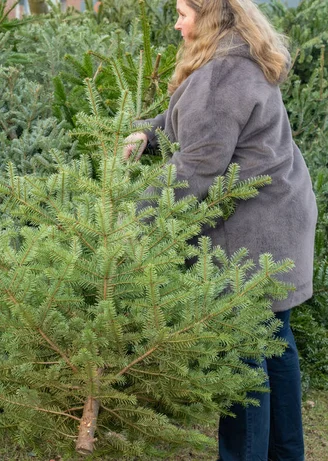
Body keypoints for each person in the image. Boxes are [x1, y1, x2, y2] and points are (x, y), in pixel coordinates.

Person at [123, 0, 317, 460]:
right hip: (279, 216)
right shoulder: (239, 57)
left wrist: (134, 218)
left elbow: (197, 164)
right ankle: (286, 455)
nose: (176, 23)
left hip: (254, 230)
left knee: (242, 354)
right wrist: (148, 134)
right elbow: (193, 126)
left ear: (208, 18)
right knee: (274, 342)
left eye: (183, 14)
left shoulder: (219, 75)